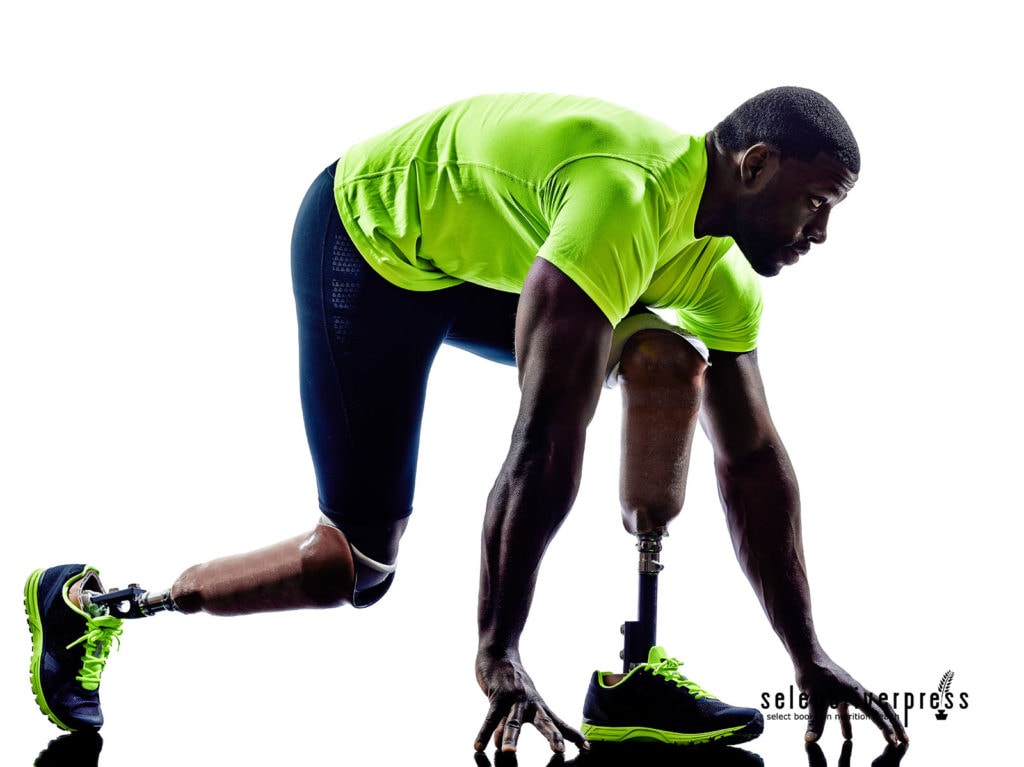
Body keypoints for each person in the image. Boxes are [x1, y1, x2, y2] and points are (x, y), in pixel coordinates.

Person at [25, 87, 909, 754]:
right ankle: (94, 602)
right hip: (371, 238)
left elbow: (753, 463)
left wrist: (808, 652)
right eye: (816, 203)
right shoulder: (624, 203)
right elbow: (540, 444)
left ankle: (635, 672)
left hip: (498, 248)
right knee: (354, 566)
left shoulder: (719, 275)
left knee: (667, 362)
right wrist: (498, 653)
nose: (820, 234)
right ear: (754, 166)